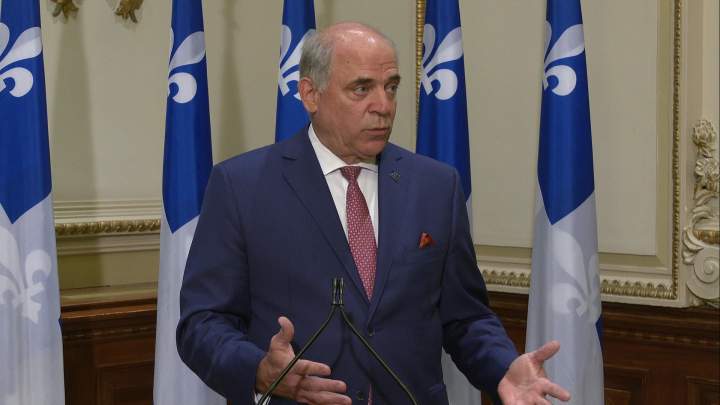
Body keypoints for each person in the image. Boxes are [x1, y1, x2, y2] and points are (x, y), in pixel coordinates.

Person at [176, 22, 571, 405]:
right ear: (311, 95)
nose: (383, 106)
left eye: (391, 87)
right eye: (361, 88)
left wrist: (502, 369)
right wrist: (260, 370)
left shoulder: (436, 187)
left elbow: (465, 317)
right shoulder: (242, 186)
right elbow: (202, 322)